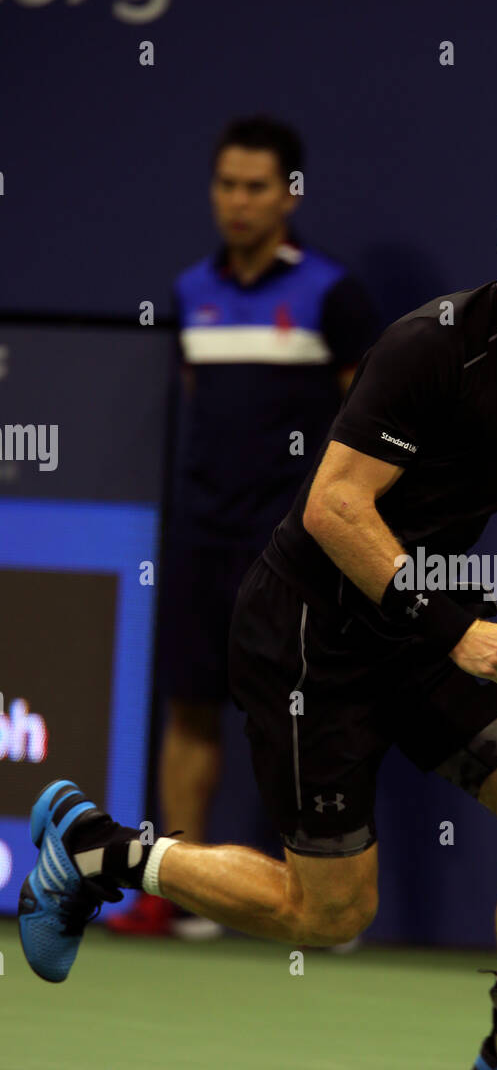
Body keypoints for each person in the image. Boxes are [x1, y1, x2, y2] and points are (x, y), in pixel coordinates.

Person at [20, 140, 497, 1070]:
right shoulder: (428, 347)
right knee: (332, 913)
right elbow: (333, 508)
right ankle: (102, 850)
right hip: (307, 630)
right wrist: (449, 629)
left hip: (418, 619)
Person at [107, 115, 379, 939]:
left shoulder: (332, 294)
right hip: (200, 536)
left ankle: (313, 891)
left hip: (292, 551)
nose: (238, 201)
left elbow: (368, 421)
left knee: (298, 715)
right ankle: (176, 891)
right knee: (189, 705)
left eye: (256, 186)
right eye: (227, 184)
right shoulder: (192, 291)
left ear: (288, 194)